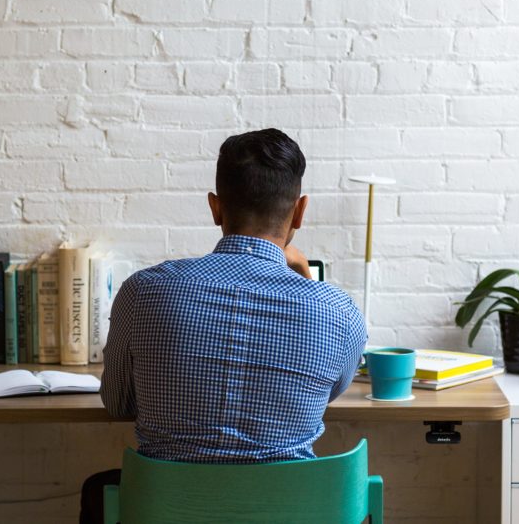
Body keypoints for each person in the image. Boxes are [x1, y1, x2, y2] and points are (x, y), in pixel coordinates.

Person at [80, 128, 367, 523]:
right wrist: (305, 283)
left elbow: (117, 405)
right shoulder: (339, 313)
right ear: (300, 212)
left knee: (100, 488)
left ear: (215, 208)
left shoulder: (143, 292)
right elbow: (327, 395)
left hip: (171, 510)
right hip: (288, 511)